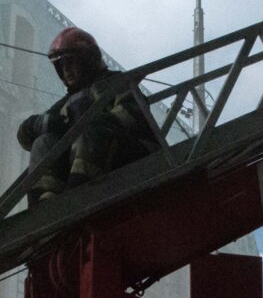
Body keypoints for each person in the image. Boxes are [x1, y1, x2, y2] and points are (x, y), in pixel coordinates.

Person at [15, 26, 165, 204]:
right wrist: (39, 124)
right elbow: (25, 139)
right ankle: (41, 207)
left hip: (137, 159)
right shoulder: (66, 104)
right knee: (43, 142)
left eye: (70, 63)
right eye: (60, 66)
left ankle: (74, 202)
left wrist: (80, 127)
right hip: (99, 167)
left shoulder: (118, 84)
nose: (66, 70)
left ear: (87, 59)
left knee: (92, 132)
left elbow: (132, 114)